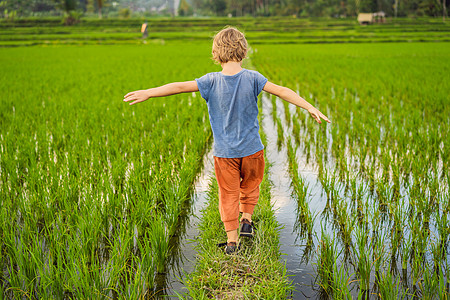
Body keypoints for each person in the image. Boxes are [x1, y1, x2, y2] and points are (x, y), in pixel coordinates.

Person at [123, 26, 330, 254]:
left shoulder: (209, 81)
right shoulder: (253, 78)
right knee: (251, 186)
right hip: (252, 150)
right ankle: (247, 220)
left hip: (225, 153)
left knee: (228, 194)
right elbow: (282, 90)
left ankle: (232, 242)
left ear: (216, 53)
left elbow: (180, 87)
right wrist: (309, 106)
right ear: (243, 51)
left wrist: (149, 92)